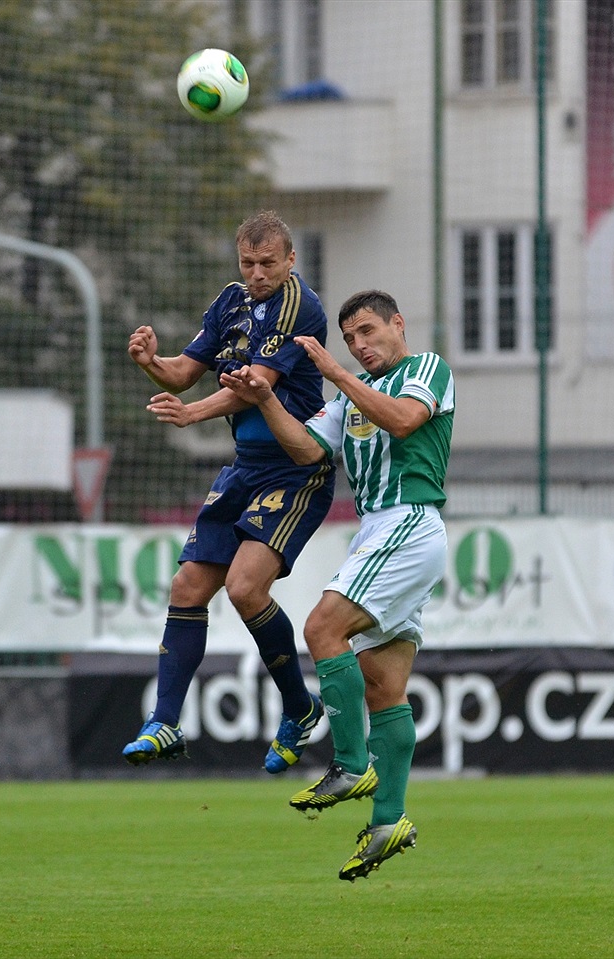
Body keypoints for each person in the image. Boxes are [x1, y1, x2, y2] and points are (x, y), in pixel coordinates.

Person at [221, 289, 455, 881]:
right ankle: (388, 821)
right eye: (349, 339)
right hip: (380, 530)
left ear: (398, 324)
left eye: (369, 331)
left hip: (407, 519)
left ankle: (351, 764)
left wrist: (332, 371)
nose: (358, 345)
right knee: (383, 686)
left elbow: (403, 419)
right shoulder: (349, 398)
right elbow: (305, 449)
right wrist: (268, 398)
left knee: (322, 627)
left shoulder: (426, 369)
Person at [122, 210, 335, 774]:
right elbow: (182, 372)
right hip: (245, 467)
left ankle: (298, 707)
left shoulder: (299, 306)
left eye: (269, 263)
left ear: (291, 261)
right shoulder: (229, 302)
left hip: (295, 470)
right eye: (248, 262)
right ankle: (165, 720)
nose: (258, 273)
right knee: (188, 583)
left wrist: (192, 414)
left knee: (244, 587)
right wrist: (151, 363)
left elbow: (255, 386)